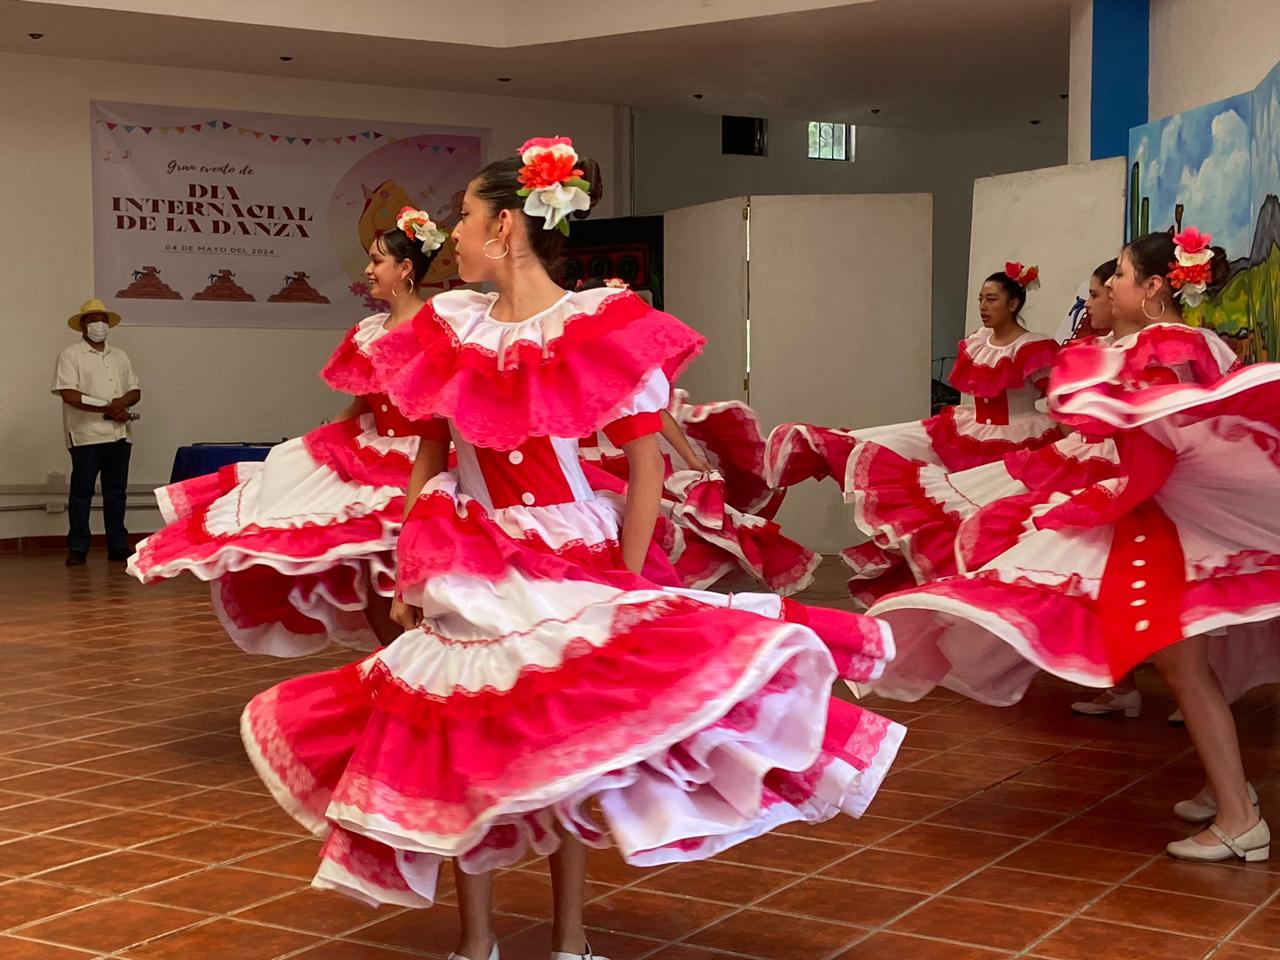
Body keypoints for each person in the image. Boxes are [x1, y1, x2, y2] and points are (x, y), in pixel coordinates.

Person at [241, 137, 903, 960]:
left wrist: (624, 581)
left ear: (506, 226)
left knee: (567, 745)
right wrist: (411, 556)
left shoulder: (598, 325)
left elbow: (645, 460)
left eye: (466, 219)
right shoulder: (447, 326)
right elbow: (428, 456)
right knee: (466, 744)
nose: (454, 237)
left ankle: (571, 942)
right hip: (470, 555)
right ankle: (475, 942)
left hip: (572, 552)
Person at [867, 229, 1278, 862]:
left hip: (1164, 522)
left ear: (1155, 286)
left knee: (1181, 664)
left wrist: (1105, 473)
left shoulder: (1160, 345)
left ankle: (1237, 813)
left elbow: (1162, 437)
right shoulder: (1193, 343)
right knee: (1184, 663)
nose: (1110, 286)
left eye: (1118, 274)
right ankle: (1226, 790)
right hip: (1169, 517)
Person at [129, 208, 449, 653]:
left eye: (377, 261)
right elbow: (361, 404)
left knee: (411, 571)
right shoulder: (367, 332)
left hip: (424, 457)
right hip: (371, 452)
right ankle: (391, 665)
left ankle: (427, 667)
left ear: (405, 268)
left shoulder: (438, 327)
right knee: (363, 569)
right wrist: (309, 448)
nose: (368, 270)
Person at [765, 264, 1060, 602]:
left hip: (1019, 437)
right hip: (967, 431)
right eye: (980, 299)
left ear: (1013, 304)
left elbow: (1057, 397)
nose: (983, 306)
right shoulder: (977, 343)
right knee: (886, 448)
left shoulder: (1034, 348)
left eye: (991, 299)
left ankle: (985, 589)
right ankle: (821, 444)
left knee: (991, 516)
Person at [53, 297, 141, 566]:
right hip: (85, 435)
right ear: (82, 325)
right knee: (82, 492)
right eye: (92, 320)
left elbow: (134, 391)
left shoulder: (120, 355)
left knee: (116, 491)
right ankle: (78, 548)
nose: (98, 325)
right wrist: (109, 407)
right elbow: (69, 394)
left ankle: (117, 545)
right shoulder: (71, 355)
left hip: (119, 434)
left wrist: (119, 406)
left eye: (103, 320)